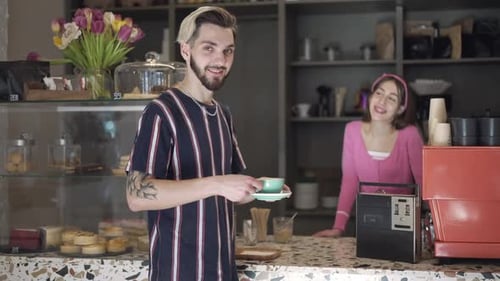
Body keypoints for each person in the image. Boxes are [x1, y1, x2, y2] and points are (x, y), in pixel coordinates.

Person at [125, 6, 271, 280]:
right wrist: (216, 183)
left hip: (222, 271)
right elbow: (135, 195)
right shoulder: (161, 112)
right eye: (209, 48)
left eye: (228, 50)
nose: (221, 59)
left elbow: (226, 192)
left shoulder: (222, 115)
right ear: (185, 50)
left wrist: (258, 188)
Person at [312, 73, 423, 238]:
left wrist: (433, 226)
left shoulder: (410, 134)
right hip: (367, 225)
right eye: (379, 93)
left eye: (392, 98)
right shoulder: (352, 130)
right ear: (370, 97)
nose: (382, 101)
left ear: (401, 109)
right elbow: (350, 181)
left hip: (404, 228)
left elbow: (424, 182)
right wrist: (338, 227)